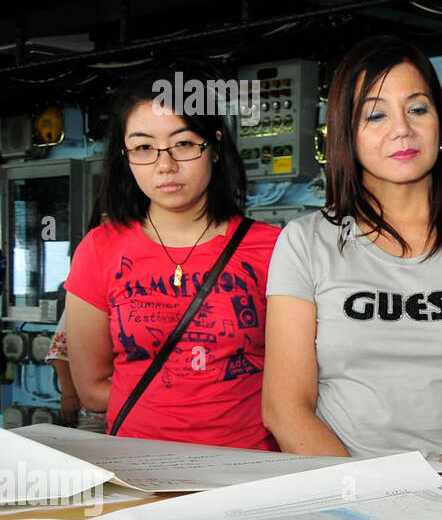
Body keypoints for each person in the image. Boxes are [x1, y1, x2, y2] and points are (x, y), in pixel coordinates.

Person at [263, 35, 442, 492]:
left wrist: (431, 495)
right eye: (375, 114)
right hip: (344, 500)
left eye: (418, 108)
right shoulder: (304, 243)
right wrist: (366, 495)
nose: (402, 129)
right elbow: (285, 407)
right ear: (346, 133)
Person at [65, 67, 281, 449]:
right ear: (125, 157)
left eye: (183, 144)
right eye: (144, 147)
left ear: (214, 147)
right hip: (137, 469)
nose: (165, 165)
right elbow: (92, 389)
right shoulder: (99, 248)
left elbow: (298, 383)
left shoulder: (275, 248)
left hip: (250, 472)